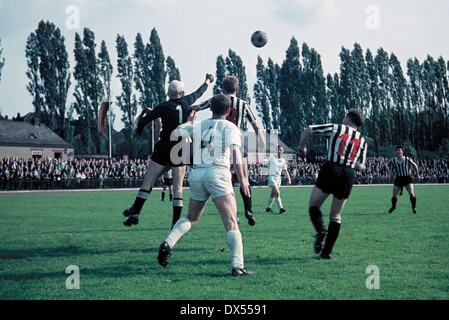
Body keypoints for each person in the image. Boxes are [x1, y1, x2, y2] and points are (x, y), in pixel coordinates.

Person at [157, 94, 256, 276]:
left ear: (210, 108)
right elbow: (235, 150)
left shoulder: (198, 125)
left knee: (191, 218)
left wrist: (190, 120)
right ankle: (237, 266)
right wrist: (242, 178)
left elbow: (178, 132)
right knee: (232, 222)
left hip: (197, 174)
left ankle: (167, 243)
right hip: (218, 172)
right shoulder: (230, 126)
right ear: (229, 111)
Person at [122, 74, 214, 228]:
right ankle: (174, 223)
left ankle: (136, 212)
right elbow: (199, 92)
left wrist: (137, 130)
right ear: (181, 93)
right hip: (180, 146)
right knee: (178, 187)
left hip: (164, 146)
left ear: (168, 92)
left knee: (149, 180)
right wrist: (208, 81)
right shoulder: (187, 102)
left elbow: (146, 119)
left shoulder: (163, 107)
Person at [193, 76, 265, 226]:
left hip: (219, 142)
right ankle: (248, 210)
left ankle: (232, 213)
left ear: (223, 88)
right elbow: (256, 126)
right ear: (237, 89)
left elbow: (198, 107)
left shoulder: (216, 99)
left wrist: (189, 109)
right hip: (236, 141)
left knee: (225, 177)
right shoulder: (243, 104)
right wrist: (262, 142)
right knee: (243, 177)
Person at [297, 109, 368, 259]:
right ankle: (327, 252)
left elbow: (308, 130)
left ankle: (321, 230)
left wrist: (302, 147)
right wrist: (349, 160)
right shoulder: (362, 139)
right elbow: (361, 166)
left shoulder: (337, 128)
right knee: (336, 215)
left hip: (331, 169)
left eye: (344, 117)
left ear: (348, 119)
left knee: (314, 205)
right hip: (348, 174)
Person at [388, 146, 420, 214]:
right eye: (397, 150)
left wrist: (417, 175)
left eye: (399, 150)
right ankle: (393, 207)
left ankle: (414, 208)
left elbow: (415, 166)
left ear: (403, 152)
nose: (398, 152)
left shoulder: (407, 159)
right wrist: (389, 175)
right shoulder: (393, 161)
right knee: (394, 196)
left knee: (411, 193)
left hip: (407, 178)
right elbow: (390, 169)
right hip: (398, 178)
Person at [263, 145, 291, 214]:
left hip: (278, 178)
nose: (279, 151)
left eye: (280, 150)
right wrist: (263, 176)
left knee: (273, 193)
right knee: (277, 192)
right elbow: (266, 167)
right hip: (272, 177)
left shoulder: (283, 161)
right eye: (278, 150)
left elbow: (285, 170)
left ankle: (268, 207)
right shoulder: (272, 158)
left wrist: (289, 179)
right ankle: (281, 208)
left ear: (283, 151)